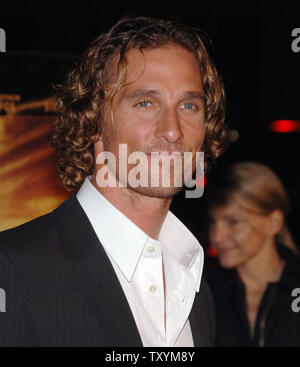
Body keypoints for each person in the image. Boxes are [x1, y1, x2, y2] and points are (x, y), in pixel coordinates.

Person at [0, 16, 227, 347]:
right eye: (145, 103)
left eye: (189, 105)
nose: (172, 129)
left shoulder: (194, 282)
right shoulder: (14, 270)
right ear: (93, 120)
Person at [205, 161, 300, 347]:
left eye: (233, 222)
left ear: (273, 222)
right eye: (213, 222)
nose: (217, 236)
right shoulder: (206, 294)